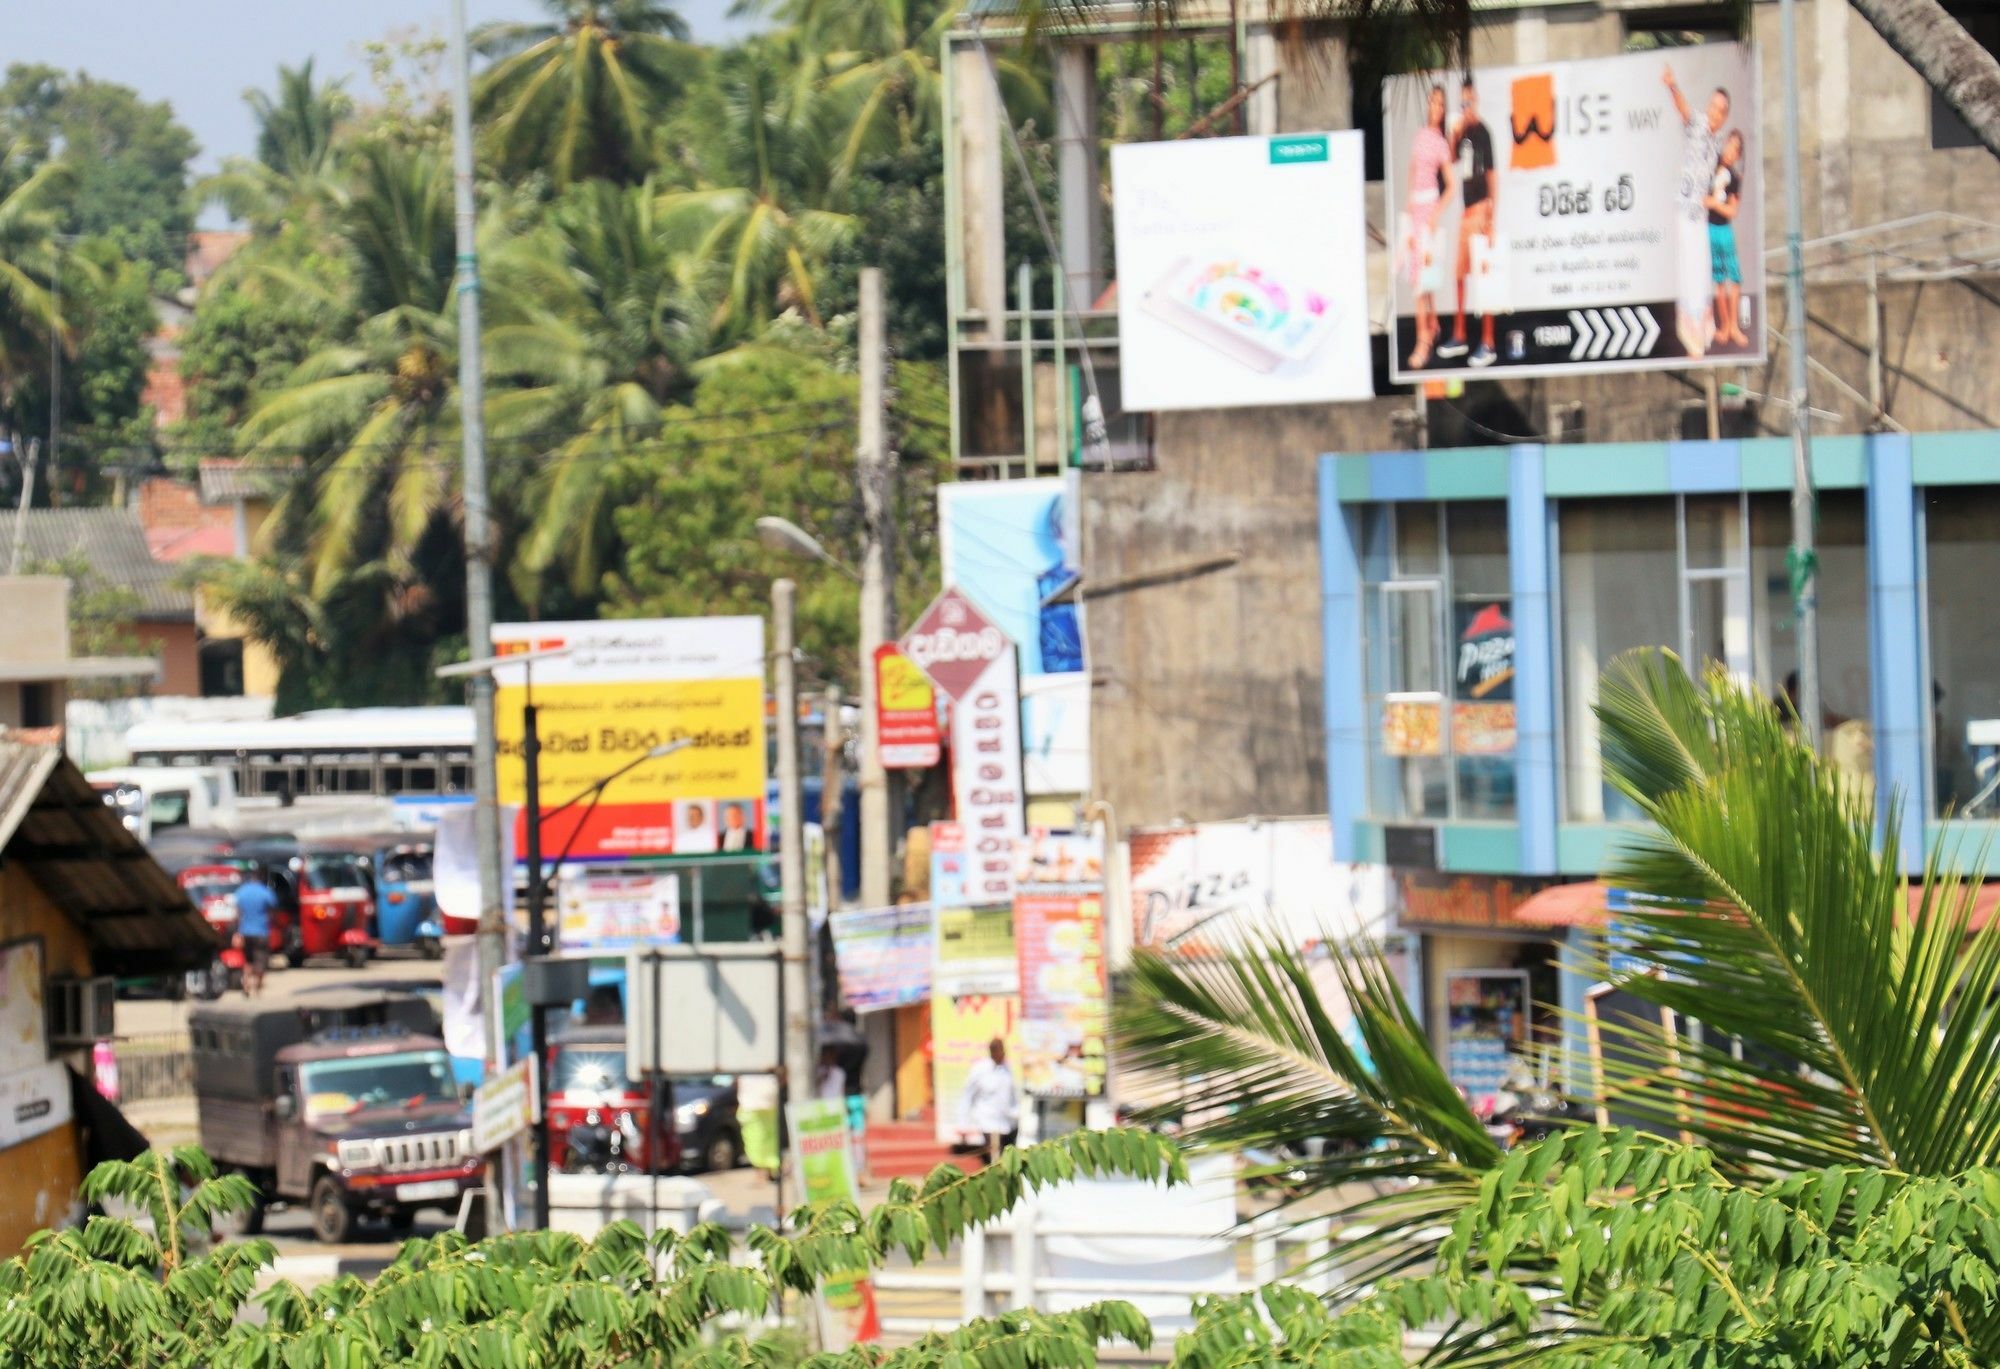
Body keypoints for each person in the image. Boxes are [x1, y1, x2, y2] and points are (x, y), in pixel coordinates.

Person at [1665, 64, 1729, 358]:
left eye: (1721, 110)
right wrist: (1672, 86)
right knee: (1690, 270)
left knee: (1701, 271)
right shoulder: (1700, 125)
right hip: (1686, 208)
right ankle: (1691, 335)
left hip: (1699, 213)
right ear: (1709, 108)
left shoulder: (1717, 141)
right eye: (1714, 107)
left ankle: (1701, 335)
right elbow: (1684, 112)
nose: (1715, 113)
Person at [1438, 77, 1499, 368]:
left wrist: (1492, 218)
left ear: (1476, 101)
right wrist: (1454, 134)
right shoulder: (1463, 133)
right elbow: (1450, 161)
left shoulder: (1484, 132)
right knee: (1460, 275)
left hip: (1480, 210)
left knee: (1483, 277)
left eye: (1469, 102)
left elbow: (1492, 175)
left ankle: (1488, 342)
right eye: (1462, 103)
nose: (1466, 107)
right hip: (1465, 213)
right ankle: (1460, 334)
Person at [1401, 84, 1456, 370]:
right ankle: (1431, 326)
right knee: (1420, 276)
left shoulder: (1440, 142)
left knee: (1424, 280)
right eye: (1433, 103)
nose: (1436, 108)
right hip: (1416, 210)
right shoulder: (1421, 137)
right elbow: (1413, 175)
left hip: (1429, 209)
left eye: (1440, 104)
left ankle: (1423, 340)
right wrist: (1410, 219)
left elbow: (1452, 186)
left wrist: (1434, 214)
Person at [1703, 130, 1749, 350]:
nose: (1730, 152)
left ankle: (1734, 326)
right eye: (1729, 146)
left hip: (1724, 230)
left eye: (1735, 149)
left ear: (1738, 155)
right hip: (1710, 229)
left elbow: (1732, 211)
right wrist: (1710, 202)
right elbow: (1702, 199)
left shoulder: (1735, 178)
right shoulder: (1710, 169)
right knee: (1719, 280)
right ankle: (1723, 327)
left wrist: (1714, 204)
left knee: (1734, 279)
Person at [955, 1037, 1019, 1167]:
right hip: (989, 1122)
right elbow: (967, 1096)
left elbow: (1012, 1096)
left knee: (1008, 1160)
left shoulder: (1007, 1069)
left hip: (1008, 1122)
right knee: (993, 1159)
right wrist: (963, 1123)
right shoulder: (980, 1070)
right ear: (992, 1052)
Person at [232, 873, 277, 997]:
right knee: (261, 959)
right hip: (261, 931)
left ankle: (246, 984)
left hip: (245, 931)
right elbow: (273, 907)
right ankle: (257, 986)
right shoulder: (265, 891)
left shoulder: (241, 891)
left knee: (248, 960)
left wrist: (237, 931)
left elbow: (237, 912)